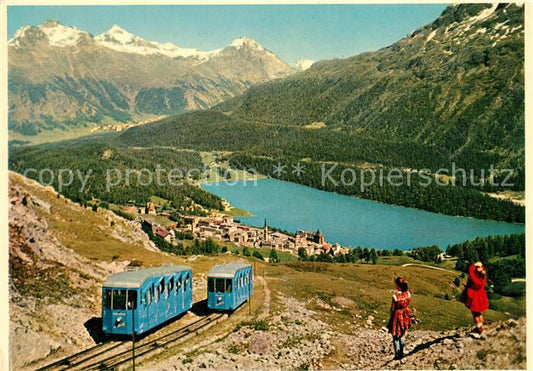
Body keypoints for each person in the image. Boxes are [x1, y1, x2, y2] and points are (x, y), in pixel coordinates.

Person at [387, 277, 412, 360]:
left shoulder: (395, 296)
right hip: (405, 313)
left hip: (397, 315)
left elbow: (393, 309)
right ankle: (402, 352)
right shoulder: (407, 294)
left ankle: (397, 354)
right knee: (402, 334)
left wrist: (391, 317)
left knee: (395, 336)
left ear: (398, 286)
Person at [463, 262, 489, 333]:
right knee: (479, 313)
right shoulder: (483, 278)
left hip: (474, 297)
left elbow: (470, 271)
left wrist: (474, 265)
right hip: (480, 296)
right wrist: (481, 266)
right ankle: (482, 327)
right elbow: (481, 270)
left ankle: (479, 329)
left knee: (475, 314)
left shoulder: (475, 279)